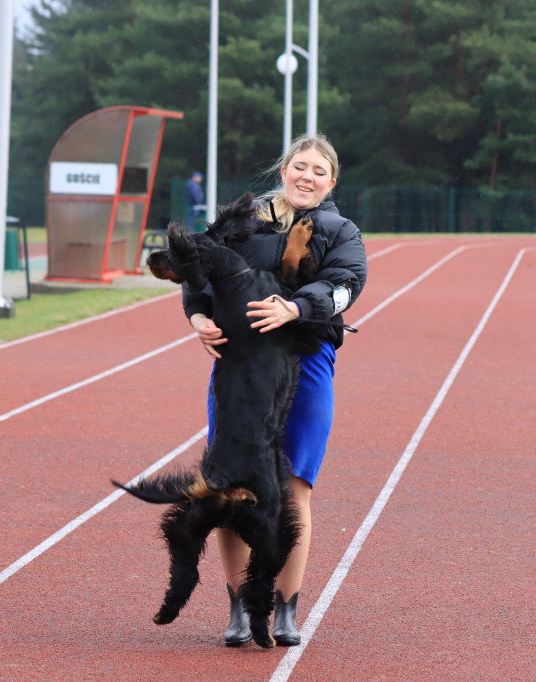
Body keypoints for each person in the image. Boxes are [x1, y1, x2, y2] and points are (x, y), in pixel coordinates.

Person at [182, 134, 367, 647]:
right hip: (240, 367)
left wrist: (296, 307)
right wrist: (198, 315)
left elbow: (347, 282)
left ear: (332, 181)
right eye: (299, 166)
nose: (307, 176)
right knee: (230, 487)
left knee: (293, 488)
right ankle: (240, 608)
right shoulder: (238, 220)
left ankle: (284, 607)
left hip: (305, 363)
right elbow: (199, 269)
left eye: (318, 170)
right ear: (283, 169)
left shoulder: (340, 230)